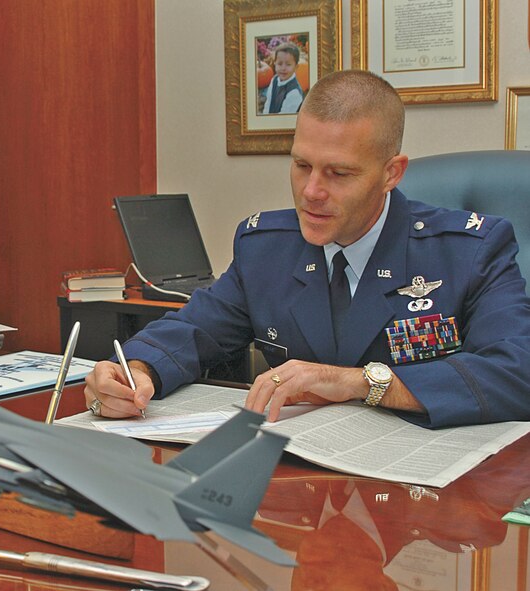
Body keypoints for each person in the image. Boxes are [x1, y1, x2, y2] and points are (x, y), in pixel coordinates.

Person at [84, 69, 530, 429]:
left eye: (339, 173)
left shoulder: (468, 250)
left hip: (426, 504)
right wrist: (135, 370)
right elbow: (195, 330)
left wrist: (360, 383)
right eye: (301, 165)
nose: (311, 192)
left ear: (392, 173)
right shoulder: (267, 248)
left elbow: (517, 374)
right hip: (303, 490)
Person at [261, 42, 304, 114]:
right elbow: (268, 103)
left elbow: (283, 119)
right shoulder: (274, 80)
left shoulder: (294, 93)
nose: (283, 68)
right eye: (280, 64)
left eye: (288, 64)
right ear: (274, 63)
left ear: (296, 67)